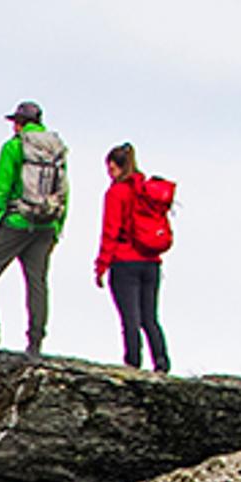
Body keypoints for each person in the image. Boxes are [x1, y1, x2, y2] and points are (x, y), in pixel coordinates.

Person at [0, 100, 69, 354]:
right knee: (37, 283)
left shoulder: (14, 147)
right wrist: (58, 226)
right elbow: (64, 192)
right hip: (46, 224)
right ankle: (35, 342)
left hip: (17, 222)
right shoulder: (56, 149)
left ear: (19, 123)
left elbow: (2, 188)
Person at [95, 142, 171, 372]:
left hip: (125, 262)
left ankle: (132, 363)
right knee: (149, 317)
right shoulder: (147, 192)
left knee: (129, 317)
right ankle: (161, 360)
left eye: (110, 169)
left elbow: (110, 231)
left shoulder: (116, 193)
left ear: (114, 166)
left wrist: (101, 265)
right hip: (151, 262)